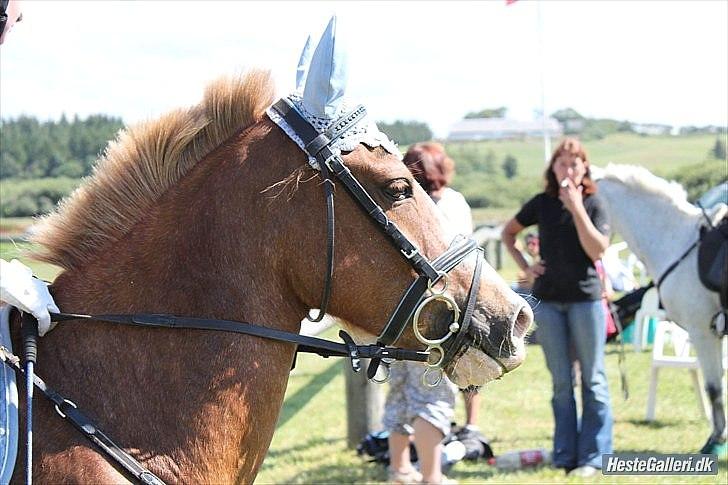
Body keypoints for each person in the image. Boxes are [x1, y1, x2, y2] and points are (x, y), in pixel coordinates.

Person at [501, 137, 613, 478]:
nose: (569, 168)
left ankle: (593, 456)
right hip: (549, 303)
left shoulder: (594, 203)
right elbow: (509, 234)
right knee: (562, 382)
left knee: (592, 380)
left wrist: (576, 206)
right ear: (553, 167)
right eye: (562, 162)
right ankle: (565, 453)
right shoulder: (541, 203)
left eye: (575, 162)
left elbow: (598, 250)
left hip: (586, 301)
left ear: (584, 168)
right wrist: (527, 266)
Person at [383, 142, 471, 485]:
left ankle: (400, 467)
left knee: (400, 391)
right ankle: (431, 475)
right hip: (436, 313)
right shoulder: (452, 204)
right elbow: (464, 259)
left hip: (394, 311)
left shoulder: (393, 207)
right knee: (433, 392)